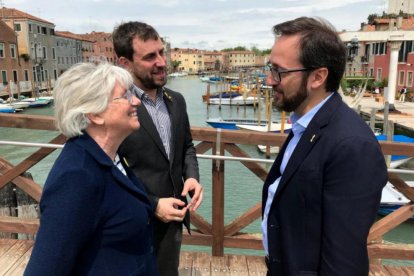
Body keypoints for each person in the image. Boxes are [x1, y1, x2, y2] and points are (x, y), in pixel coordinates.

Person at [261, 17, 387, 276]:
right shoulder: (305, 125)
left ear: (318, 77)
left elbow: (343, 262)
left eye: (279, 71)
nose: (270, 80)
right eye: (269, 68)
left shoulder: (352, 147)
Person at [24, 63, 158, 276]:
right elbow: (45, 269)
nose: (136, 101)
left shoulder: (109, 156)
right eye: (125, 96)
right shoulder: (76, 177)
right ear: (95, 114)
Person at [112, 22, 203, 276]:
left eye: (161, 52)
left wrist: (192, 176)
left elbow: (186, 147)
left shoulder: (177, 101)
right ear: (125, 63)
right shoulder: (114, 107)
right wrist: (152, 205)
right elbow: (107, 171)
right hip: (132, 222)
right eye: (150, 56)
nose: (162, 62)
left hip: (173, 219)